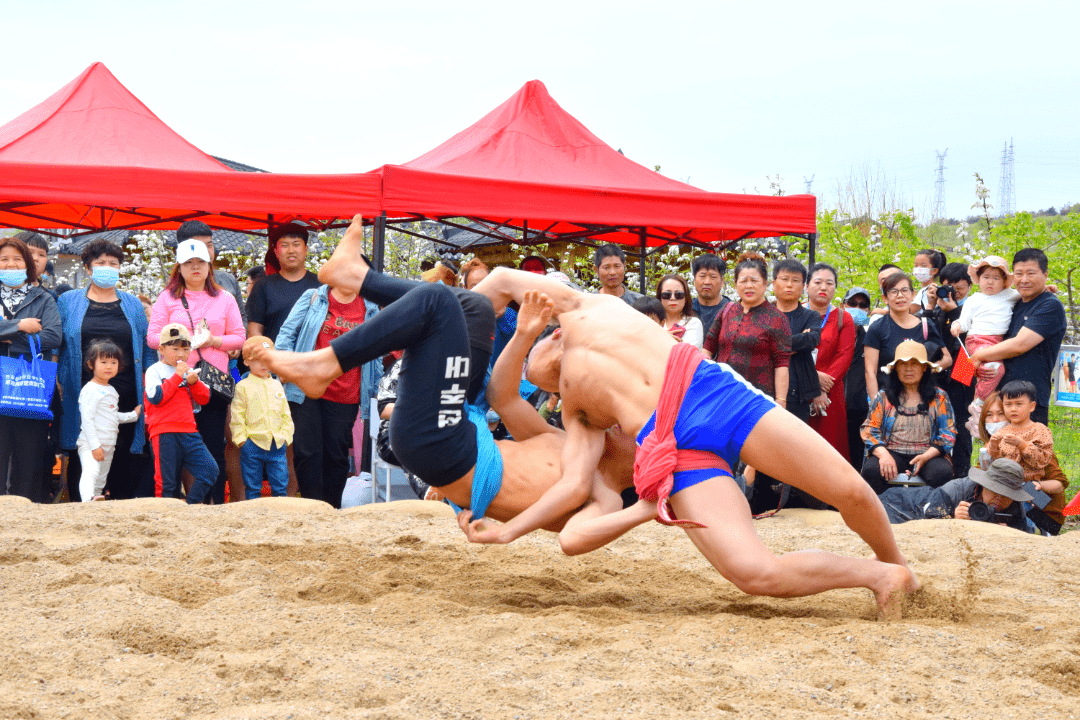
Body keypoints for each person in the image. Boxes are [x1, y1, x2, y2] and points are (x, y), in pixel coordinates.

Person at [456, 265, 918, 616]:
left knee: (848, 488)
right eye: (549, 387)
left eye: (545, 362)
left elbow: (497, 278)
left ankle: (900, 565)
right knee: (751, 572)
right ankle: (880, 575)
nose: (552, 382)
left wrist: (459, 320)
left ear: (550, 334)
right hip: (674, 452)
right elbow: (571, 485)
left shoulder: (584, 308)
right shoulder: (579, 412)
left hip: (709, 394)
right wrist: (508, 532)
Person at [255, 216, 636, 528]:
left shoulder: (604, 494)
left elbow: (572, 538)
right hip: (452, 428)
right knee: (475, 307)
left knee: (436, 298)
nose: (624, 424)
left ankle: (324, 363)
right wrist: (522, 335)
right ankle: (353, 276)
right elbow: (502, 397)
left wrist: (648, 508)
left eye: (639, 434)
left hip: (443, 447)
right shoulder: (562, 441)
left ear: (642, 464)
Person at [147, 239, 245, 504]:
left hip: (213, 382)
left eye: (200, 262)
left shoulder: (225, 298)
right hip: (177, 383)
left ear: (209, 264)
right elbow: (152, 337)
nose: (195, 268)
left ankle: (212, 504)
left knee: (212, 446)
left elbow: (239, 337)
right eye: (188, 263)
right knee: (179, 447)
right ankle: (183, 505)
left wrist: (213, 341)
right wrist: (182, 340)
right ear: (178, 268)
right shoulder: (168, 298)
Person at [57, 239, 155, 501]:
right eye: (100, 263)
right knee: (84, 448)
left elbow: (146, 347)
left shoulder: (133, 304)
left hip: (125, 391)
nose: (107, 268)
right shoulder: (68, 301)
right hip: (82, 390)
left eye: (113, 264)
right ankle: (84, 505)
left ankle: (120, 508)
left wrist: (149, 381)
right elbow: (59, 342)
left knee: (121, 453)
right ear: (88, 268)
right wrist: (58, 378)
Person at [274, 274, 380, 507]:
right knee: (306, 451)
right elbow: (287, 332)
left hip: (346, 391)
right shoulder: (315, 297)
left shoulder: (370, 307)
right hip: (306, 388)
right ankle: (312, 508)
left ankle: (332, 508)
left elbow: (377, 349)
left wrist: (375, 386)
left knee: (337, 454)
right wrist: (284, 365)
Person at [968, 249, 1066, 426]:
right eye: (1019, 274)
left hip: (1027, 402)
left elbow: (1019, 345)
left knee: (1027, 451)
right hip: (999, 400)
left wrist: (978, 357)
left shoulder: (1049, 305)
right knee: (996, 452)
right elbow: (975, 335)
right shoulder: (1009, 303)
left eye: (1031, 273)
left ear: (1045, 274)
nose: (1024, 279)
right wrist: (970, 369)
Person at [0, 236, 61, 503]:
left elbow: (53, 337)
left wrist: (9, 337)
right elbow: (35, 332)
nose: (11, 265)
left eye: (17, 259)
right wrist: (19, 325)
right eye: (4, 260)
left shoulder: (44, 298)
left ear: (27, 264)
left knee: (29, 458)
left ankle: (23, 511)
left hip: (28, 387)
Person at [860, 341, 956, 494]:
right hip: (892, 452)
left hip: (928, 454)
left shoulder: (939, 397)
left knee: (941, 473)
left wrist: (925, 457)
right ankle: (882, 514)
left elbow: (948, 434)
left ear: (925, 367)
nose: (908, 368)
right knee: (872, 470)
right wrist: (883, 454)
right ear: (896, 368)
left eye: (914, 363)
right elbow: (869, 430)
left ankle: (934, 513)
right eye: (902, 364)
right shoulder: (883, 396)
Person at [144, 323, 218, 503]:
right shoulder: (154, 370)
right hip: (163, 432)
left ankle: (189, 507)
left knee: (210, 471)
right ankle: (166, 519)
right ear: (161, 349)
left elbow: (204, 399)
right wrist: (177, 376)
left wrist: (194, 383)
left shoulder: (189, 371)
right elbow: (156, 397)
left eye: (185, 349)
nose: (180, 354)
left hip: (189, 431)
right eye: (175, 348)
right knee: (167, 483)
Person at [704, 253, 790, 405]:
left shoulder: (777, 318)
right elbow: (708, 346)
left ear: (765, 284)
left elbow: (781, 363)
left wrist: (781, 400)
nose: (748, 286)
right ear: (735, 284)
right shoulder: (727, 310)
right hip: (722, 392)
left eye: (754, 280)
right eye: (743, 281)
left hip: (758, 398)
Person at [977, 392, 1069, 534]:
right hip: (1006, 510)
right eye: (989, 415)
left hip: (1041, 511)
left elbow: (1060, 484)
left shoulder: (1035, 446)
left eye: (1001, 414)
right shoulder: (989, 448)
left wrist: (1038, 486)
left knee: (1024, 488)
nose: (995, 420)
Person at [878, 458, 1031, 532]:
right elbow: (928, 518)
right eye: (995, 491)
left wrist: (1009, 531)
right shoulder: (958, 489)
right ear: (984, 485)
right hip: (901, 504)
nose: (999, 499)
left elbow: (1023, 532)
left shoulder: (1014, 506)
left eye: (1006, 495)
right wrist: (952, 518)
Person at [951, 256, 1021, 418]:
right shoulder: (974, 299)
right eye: (986, 277)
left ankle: (980, 412)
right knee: (995, 369)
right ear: (978, 279)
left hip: (997, 341)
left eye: (996, 278)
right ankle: (979, 402)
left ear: (1004, 281)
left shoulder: (1010, 295)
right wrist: (957, 326)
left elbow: (1029, 293)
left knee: (986, 372)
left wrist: (1047, 288)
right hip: (977, 339)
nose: (990, 282)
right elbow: (964, 321)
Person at [864, 272, 951, 399]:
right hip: (889, 399)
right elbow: (870, 372)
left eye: (904, 290)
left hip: (922, 398)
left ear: (913, 294)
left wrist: (923, 371)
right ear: (885, 298)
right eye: (893, 291)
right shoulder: (877, 328)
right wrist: (875, 405)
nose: (900, 296)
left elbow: (947, 359)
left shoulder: (926, 325)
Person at [925, 261, 975, 476]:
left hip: (963, 377)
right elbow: (925, 337)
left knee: (962, 430)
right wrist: (930, 307)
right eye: (948, 287)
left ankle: (962, 474)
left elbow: (969, 342)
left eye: (959, 288)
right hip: (938, 377)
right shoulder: (938, 309)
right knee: (935, 427)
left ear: (970, 286)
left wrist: (955, 312)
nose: (952, 293)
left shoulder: (974, 308)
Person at [76, 340, 141, 501]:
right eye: (103, 362)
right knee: (91, 472)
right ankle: (87, 500)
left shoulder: (111, 390)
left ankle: (95, 501)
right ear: (91, 364)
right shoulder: (90, 389)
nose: (109, 366)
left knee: (101, 479)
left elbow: (112, 415)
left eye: (113, 362)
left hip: (108, 445)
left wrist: (133, 415)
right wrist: (95, 445)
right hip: (91, 443)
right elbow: (87, 419)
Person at [231, 336, 293, 500]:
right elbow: (237, 415)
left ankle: (280, 515)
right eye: (258, 360)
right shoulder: (242, 386)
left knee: (280, 486)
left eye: (267, 360)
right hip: (253, 443)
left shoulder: (277, 384)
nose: (264, 364)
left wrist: (286, 435)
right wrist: (242, 440)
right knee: (252, 487)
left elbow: (285, 412)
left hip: (277, 443)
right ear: (246, 362)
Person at [806, 263, 855, 461]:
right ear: (807, 286)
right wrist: (812, 378)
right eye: (817, 282)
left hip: (831, 391)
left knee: (831, 444)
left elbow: (844, 355)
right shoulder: (796, 314)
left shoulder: (844, 318)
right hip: (800, 386)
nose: (823, 287)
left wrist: (823, 388)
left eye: (829, 283)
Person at [246, 223, 321, 342]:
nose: (291, 251)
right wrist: (268, 352)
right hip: (274, 357)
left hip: (313, 358)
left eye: (296, 244)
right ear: (276, 251)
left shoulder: (321, 286)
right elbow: (255, 331)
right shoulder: (263, 286)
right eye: (284, 245)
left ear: (306, 249)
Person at [772, 259, 821, 423]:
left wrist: (775, 344)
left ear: (804, 287)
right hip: (765, 387)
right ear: (774, 283)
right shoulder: (764, 314)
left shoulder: (811, 316)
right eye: (784, 279)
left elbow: (812, 340)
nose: (789, 285)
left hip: (798, 393)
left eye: (795, 280)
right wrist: (798, 340)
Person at [176, 220, 247, 328]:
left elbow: (242, 319)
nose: (207, 251)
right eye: (200, 246)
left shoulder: (228, 280)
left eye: (209, 245)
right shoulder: (172, 291)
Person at [985, 380, 1053, 484]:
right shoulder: (1003, 431)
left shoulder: (1040, 430)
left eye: (1019, 404)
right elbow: (995, 462)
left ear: (1031, 406)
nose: (1013, 409)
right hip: (1002, 483)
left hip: (1028, 484)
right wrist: (994, 446)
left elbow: (1042, 460)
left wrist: (1021, 444)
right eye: (1008, 404)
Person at [842, 287, 872, 470]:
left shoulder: (869, 339)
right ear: (843, 305)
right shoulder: (832, 334)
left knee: (855, 462)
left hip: (859, 411)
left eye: (862, 305)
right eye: (852, 304)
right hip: (831, 408)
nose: (857, 308)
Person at [655, 274, 703, 349]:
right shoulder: (653, 323)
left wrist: (661, 339)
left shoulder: (693, 323)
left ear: (686, 298)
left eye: (679, 294)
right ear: (659, 297)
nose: (673, 298)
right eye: (667, 294)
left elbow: (686, 354)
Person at [691, 254, 730, 336]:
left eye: (713, 277)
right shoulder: (686, 308)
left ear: (722, 281)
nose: (707, 282)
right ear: (694, 280)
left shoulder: (730, 310)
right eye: (702, 276)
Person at [912, 248, 947, 313]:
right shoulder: (924, 290)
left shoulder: (929, 290)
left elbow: (910, 310)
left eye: (924, 266)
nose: (918, 269)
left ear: (934, 270)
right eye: (916, 266)